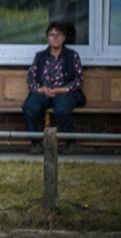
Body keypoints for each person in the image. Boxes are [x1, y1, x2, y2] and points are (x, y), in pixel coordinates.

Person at [22, 20, 85, 154]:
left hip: (65, 93)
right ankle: (35, 144)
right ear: (47, 38)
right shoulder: (40, 56)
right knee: (29, 107)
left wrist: (62, 90)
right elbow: (30, 79)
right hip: (43, 92)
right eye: (52, 34)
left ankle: (70, 143)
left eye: (59, 34)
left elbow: (79, 80)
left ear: (64, 37)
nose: (55, 37)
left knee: (61, 110)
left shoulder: (72, 55)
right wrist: (41, 90)